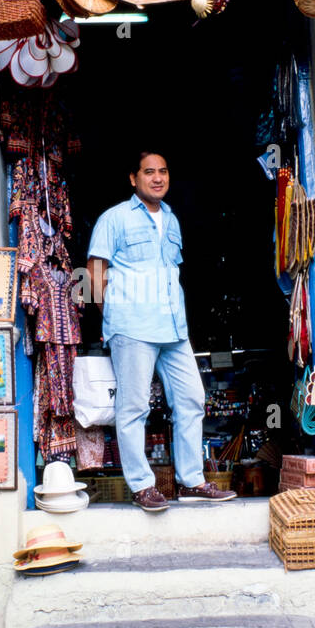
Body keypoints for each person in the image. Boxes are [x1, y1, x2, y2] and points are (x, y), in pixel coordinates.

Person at [87, 151, 236, 512]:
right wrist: (111, 318)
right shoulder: (114, 218)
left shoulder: (171, 219)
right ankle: (141, 486)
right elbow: (94, 271)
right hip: (132, 326)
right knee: (133, 407)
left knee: (191, 399)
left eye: (163, 171)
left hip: (174, 329)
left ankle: (192, 481)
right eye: (149, 172)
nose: (157, 178)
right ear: (133, 179)